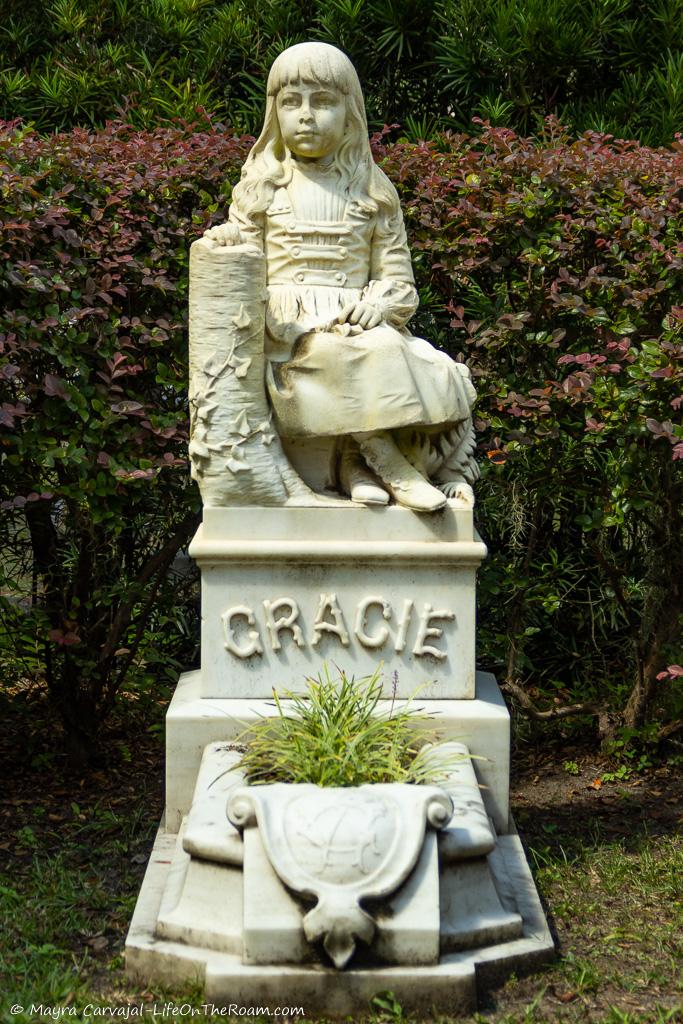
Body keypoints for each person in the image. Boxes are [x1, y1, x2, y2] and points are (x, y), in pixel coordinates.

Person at [205, 42, 476, 512]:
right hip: (289, 330)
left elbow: (400, 282)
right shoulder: (260, 186)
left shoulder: (373, 191)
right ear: (275, 113)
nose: (306, 116)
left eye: (322, 101)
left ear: (349, 113)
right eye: (292, 102)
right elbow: (244, 245)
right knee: (339, 352)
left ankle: (359, 463)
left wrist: (379, 304)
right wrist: (231, 237)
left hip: (356, 319)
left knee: (426, 364)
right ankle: (387, 464)